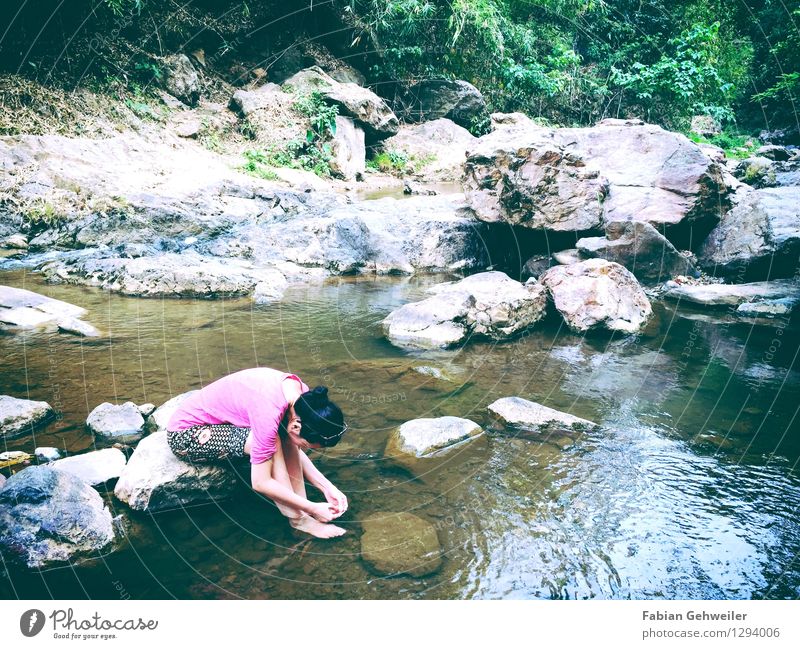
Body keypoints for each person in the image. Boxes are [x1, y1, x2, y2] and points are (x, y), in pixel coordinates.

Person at [165, 367, 349, 539]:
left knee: (281, 437)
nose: (305, 449)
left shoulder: (303, 400)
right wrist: (313, 508)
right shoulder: (269, 414)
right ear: (296, 426)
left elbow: (292, 445)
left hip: (222, 423)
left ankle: (301, 508)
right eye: (308, 445)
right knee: (271, 439)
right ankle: (297, 519)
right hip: (186, 435)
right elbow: (260, 483)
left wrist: (326, 487)